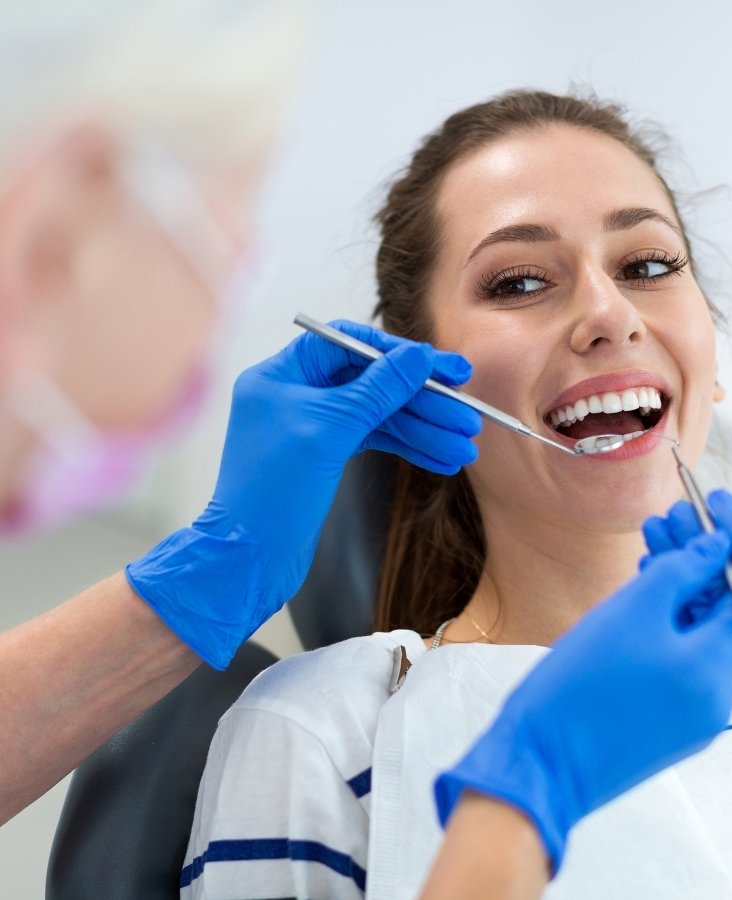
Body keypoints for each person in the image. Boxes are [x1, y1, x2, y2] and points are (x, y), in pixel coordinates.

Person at [180, 88, 732, 899]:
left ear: (711, 352)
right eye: (520, 282)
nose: (609, 311)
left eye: (649, 265)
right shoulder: (320, 734)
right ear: (421, 389)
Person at [0, 1, 477, 826]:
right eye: (236, 223)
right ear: (57, 231)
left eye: (650, 263)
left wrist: (217, 572)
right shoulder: (303, 748)